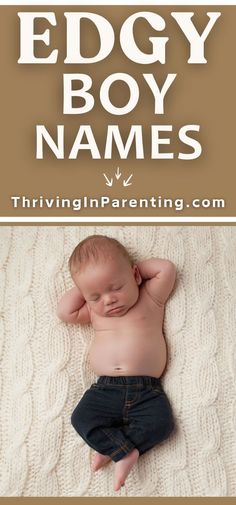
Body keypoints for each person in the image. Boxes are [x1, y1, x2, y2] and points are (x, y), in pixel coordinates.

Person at [57, 234, 176, 491]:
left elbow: (165, 269)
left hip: (147, 390)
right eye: (96, 296)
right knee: (82, 418)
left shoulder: (150, 298)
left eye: (115, 287)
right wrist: (89, 287)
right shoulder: (94, 312)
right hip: (105, 389)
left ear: (135, 276)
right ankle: (121, 449)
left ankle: (116, 448)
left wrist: (124, 271)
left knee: (162, 424)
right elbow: (64, 312)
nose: (108, 300)